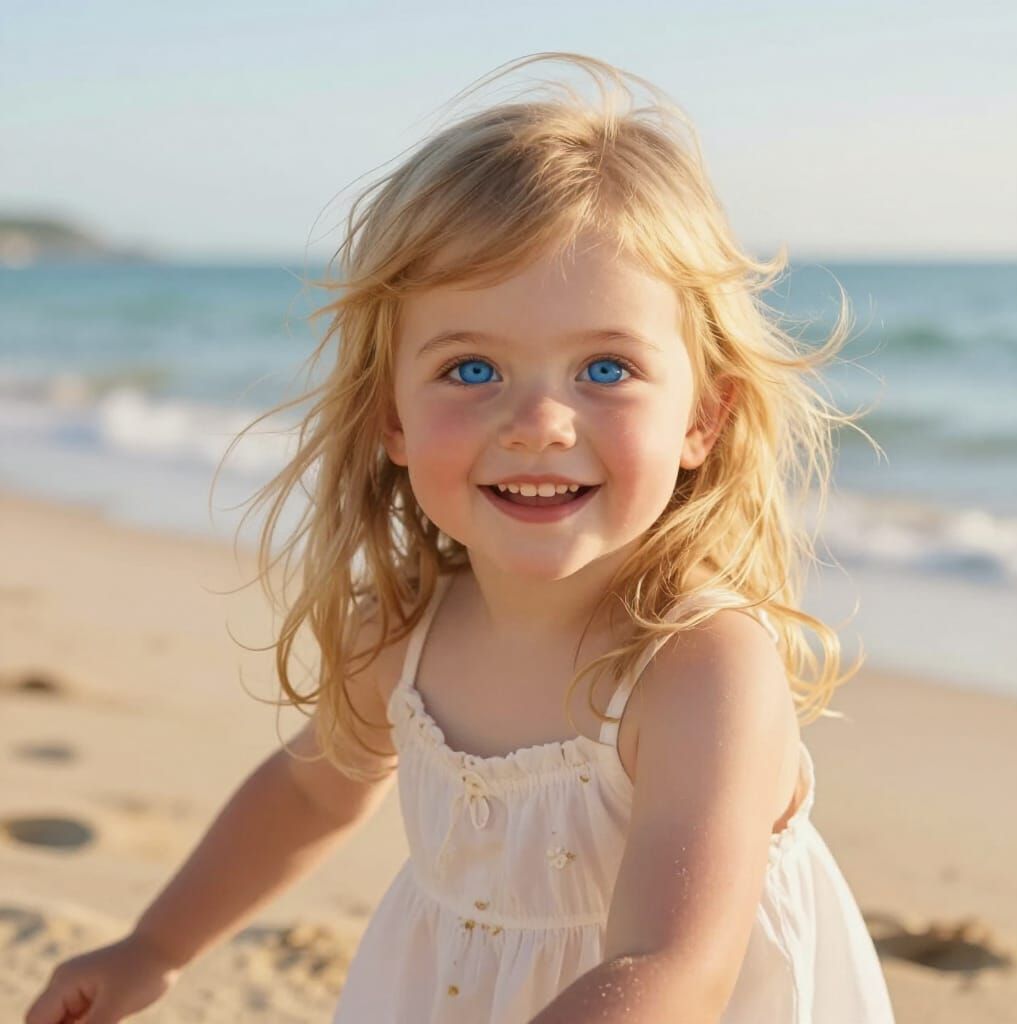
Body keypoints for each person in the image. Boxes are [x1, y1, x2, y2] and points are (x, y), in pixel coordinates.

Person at [24, 52, 895, 1024]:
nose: (539, 422)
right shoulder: (407, 629)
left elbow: (674, 964)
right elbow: (310, 797)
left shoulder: (697, 668)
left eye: (605, 369)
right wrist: (155, 946)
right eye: (472, 370)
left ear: (704, 417)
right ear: (390, 419)